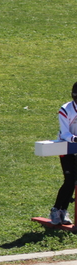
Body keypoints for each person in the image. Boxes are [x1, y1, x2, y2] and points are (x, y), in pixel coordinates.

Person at [48, 82, 77, 226]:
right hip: (66, 147)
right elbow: (65, 133)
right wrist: (75, 139)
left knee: (75, 181)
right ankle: (56, 210)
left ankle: (64, 211)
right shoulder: (66, 109)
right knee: (70, 180)